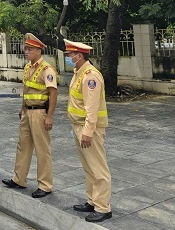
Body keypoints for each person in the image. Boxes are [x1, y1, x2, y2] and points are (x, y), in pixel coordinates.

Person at [2, 33, 58, 198]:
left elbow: (53, 94)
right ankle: (19, 179)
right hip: (27, 112)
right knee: (23, 146)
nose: (26, 52)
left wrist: (49, 116)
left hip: (40, 113)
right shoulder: (28, 67)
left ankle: (45, 185)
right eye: (25, 49)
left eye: (30, 49)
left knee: (42, 149)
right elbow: (26, 91)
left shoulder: (47, 70)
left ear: (39, 50)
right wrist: (22, 108)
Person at [64, 39, 112, 223]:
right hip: (78, 126)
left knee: (98, 168)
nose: (68, 58)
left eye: (70, 55)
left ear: (79, 55)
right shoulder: (79, 72)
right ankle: (92, 201)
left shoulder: (90, 76)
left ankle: (103, 207)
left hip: (88, 128)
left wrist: (87, 131)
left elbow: (92, 108)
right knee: (89, 167)